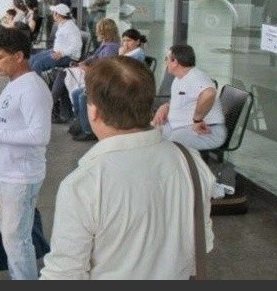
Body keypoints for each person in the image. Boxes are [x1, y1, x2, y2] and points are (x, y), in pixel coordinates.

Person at [40, 56, 217, 280]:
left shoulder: (84, 184)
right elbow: (203, 243)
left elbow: (64, 274)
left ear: (93, 112)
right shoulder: (189, 160)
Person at [0, 27, 52, 280]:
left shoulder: (33, 89)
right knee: (13, 237)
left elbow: (39, 136)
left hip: (20, 176)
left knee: (16, 242)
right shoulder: (15, 84)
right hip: (6, 171)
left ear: (19, 56)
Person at [151, 44, 227, 151]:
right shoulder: (180, 78)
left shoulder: (195, 76)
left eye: (166, 59)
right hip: (179, 127)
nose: (165, 63)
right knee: (147, 135)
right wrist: (166, 107)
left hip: (207, 130)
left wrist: (197, 120)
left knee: (168, 148)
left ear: (175, 62)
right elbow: (184, 101)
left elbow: (209, 94)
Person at [51, 17, 120, 125]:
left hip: (97, 76)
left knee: (63, 74)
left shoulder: (110, 48)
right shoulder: (106, 44)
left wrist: (87, 68)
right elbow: (94, 57)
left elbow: (105, 69)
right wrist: (82, 63)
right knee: (64, 75)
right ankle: (60, 110)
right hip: (92, 72)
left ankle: (53, 106)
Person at [28, 3, 82, 75]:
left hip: (68, 57)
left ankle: (34, 84)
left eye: (54, 13)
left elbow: (77, 45)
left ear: (58, 15)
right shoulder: (62, 24)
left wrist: (62, 54)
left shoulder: (70, 27)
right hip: (56, 51)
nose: (52, 15)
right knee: (32, 59)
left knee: (38, 64)